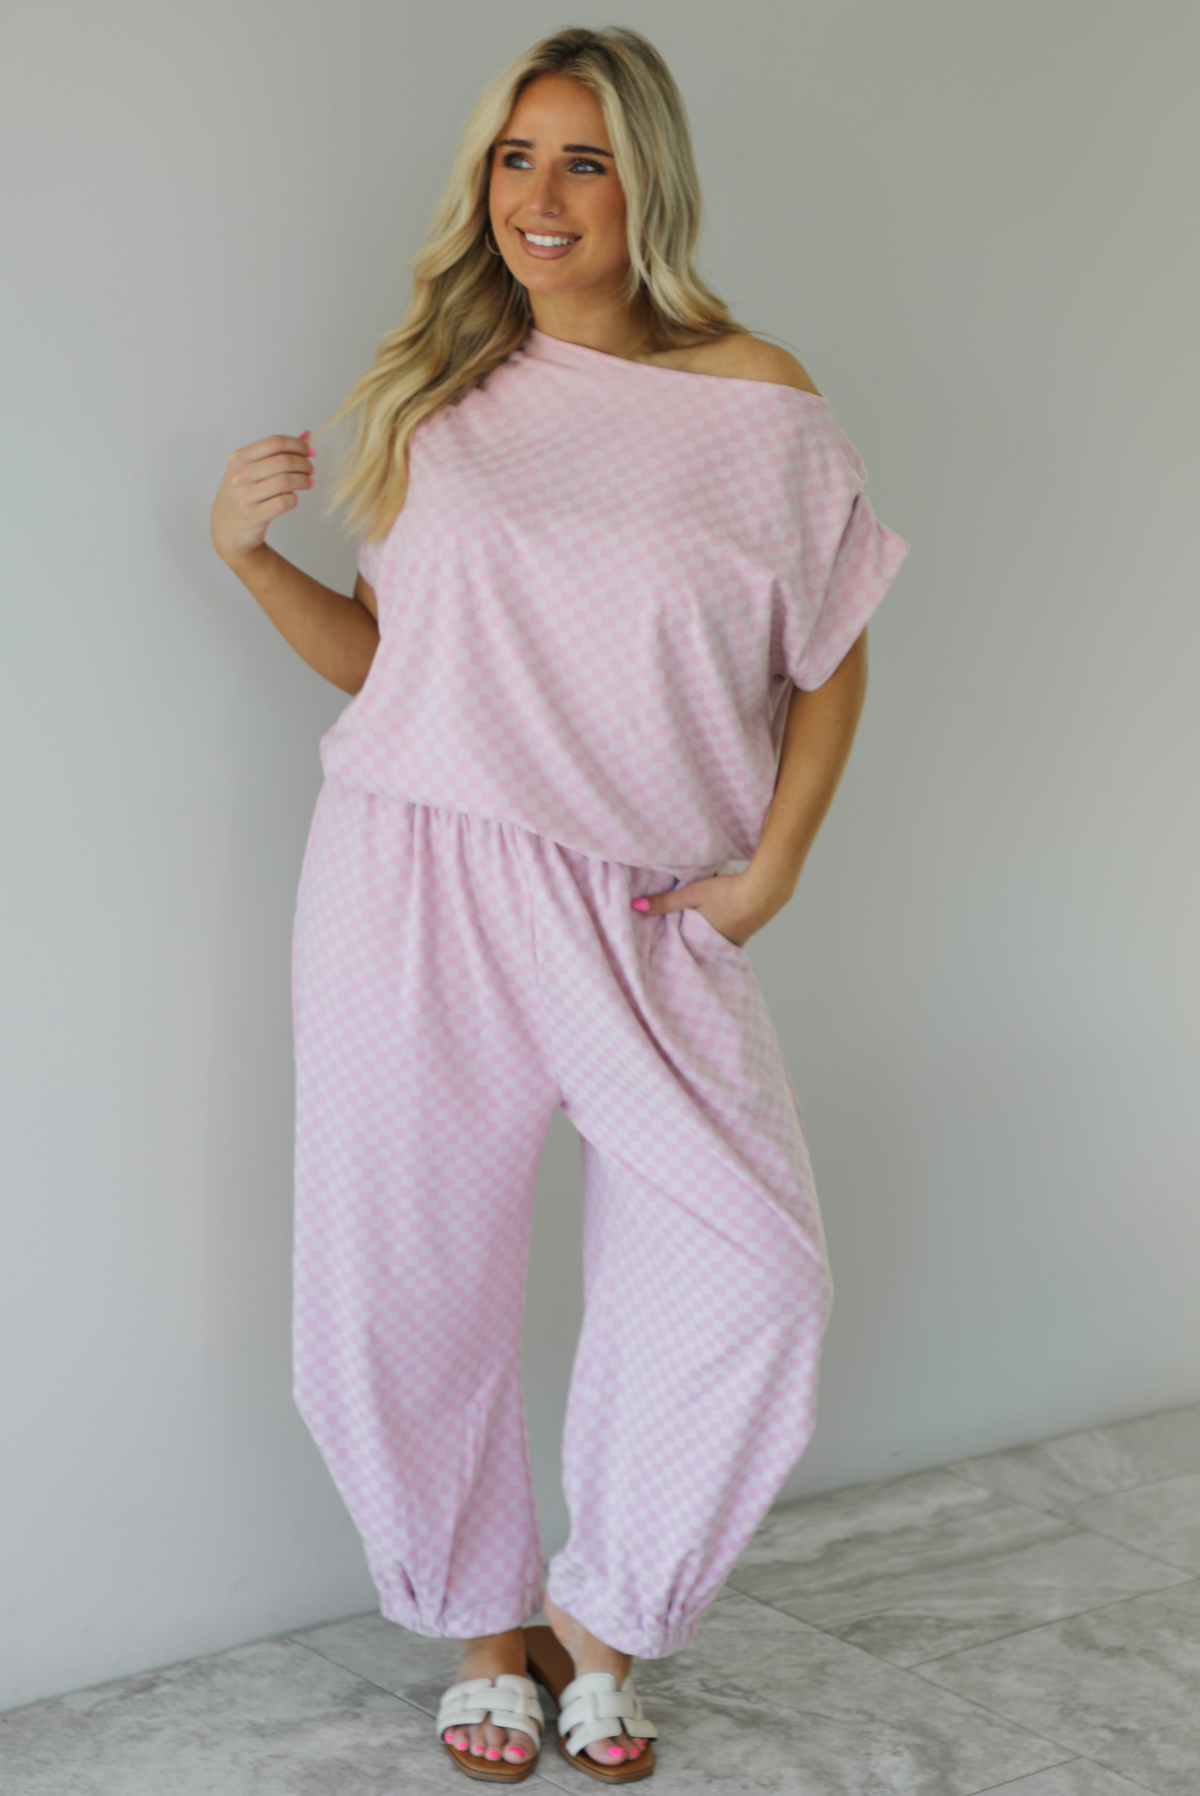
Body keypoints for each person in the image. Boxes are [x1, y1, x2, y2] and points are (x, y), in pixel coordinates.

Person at [210, 24, 907, 1786]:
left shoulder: (757, 399)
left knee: (750, 1270)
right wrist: (249, 559)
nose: (541, 195)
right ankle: (482, 1625)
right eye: (515, 159)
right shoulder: (443, 397)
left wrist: (776, 868)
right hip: (414, 872)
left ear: (644, 184)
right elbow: (399, 670)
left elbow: (830, 654)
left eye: (582, 161)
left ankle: (602, 1624)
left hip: (643, 900)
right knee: (401, 1273)